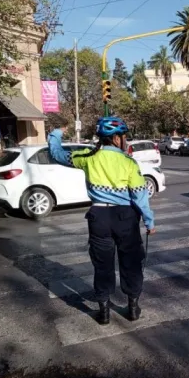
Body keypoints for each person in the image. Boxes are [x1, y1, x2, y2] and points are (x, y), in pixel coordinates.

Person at [47, 116, 156, 326]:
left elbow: (57, 154)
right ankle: (132, 308)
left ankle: (104, 313)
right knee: (131, 263)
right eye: (124, 137)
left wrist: (57, 133)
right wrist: (149, 222)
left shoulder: (88, 157)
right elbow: (139, 195)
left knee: (102, 266)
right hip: (125, 218)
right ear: (116, 139)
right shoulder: (128, 163)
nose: (125, 140)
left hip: (99, 218)